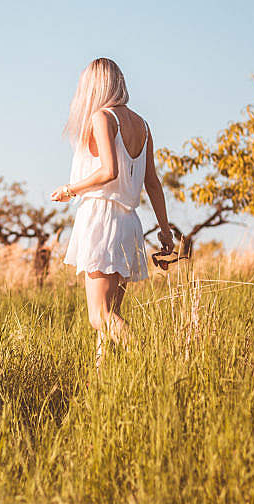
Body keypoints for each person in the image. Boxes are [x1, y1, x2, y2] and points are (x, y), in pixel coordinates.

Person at [50, 57, 174, 360]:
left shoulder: (101, 118)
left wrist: (70, 189)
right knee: (109, 319)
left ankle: (152, 361)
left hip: (101, 219)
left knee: (99, 317)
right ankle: (102, 385)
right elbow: (153, 183)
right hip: (128, 222)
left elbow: (109, 171)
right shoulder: (142, 125)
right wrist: (165, 231)